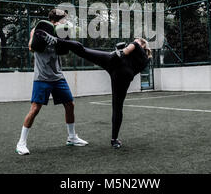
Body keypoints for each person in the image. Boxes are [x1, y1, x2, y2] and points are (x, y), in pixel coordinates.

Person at [36, 30, 152, 149]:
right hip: (124, 77)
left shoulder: (137, 44)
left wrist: (122, 50)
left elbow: (125, 52)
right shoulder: (147, 60)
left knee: (83, 50)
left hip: (114, 61)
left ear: (142, 44)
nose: (133, 42)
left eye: (136, 41)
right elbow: (133, 67)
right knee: (117, 107)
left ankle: (55, 40)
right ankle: (114, 140)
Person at [15, 9, 88, 155]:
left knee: (70, 104)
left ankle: (72, 137)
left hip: (57, 76)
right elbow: (31, 47)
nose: (66, 22)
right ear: (57, 20)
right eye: (64, 19)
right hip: (42, 76)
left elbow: (64, 49)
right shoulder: (38, 29)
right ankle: (21, 143)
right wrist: (41, 39)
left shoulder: (62, 31)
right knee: (35, 109)